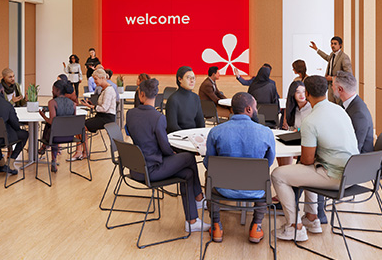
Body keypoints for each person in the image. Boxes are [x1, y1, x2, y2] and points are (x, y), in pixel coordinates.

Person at [271, 75, 359, 242]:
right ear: (326, 91)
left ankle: (293, 227)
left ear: (308, 94)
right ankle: (312, 218)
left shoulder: (310, 121)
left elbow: (306, 161)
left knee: (278, 174)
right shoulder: (340, 110)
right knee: (312, 169)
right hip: (353, 174)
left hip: (335, 177)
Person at [126, 78, 209, 232]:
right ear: (156, 95)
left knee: (188, 174)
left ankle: (192, 220)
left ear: (141, 94)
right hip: (151, 170)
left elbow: (132, 134)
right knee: (188, 157)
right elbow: (165, 148)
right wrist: (173, 153)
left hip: (136, 168)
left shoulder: (130, 114)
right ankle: (198, 199)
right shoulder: (158, 118)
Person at [204, 93, 276, 243]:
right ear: (249, 109)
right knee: (264, 177)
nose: (256, 110)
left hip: (223, 188)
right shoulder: (266, 133)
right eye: (255, 107)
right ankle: (256, 227)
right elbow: (268, 163)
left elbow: (209, 164)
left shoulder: (215, 132)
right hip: (255, 190)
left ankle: (216, 225)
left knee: (208, 174)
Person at [333, 71, 374, 154]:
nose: (331, 88)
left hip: (360, 161)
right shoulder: (351, 103)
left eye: (332, 85)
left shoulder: (359, 114)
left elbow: (355, 148)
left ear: (340, 89)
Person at [40, 79, 77, 172]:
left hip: (55, 138)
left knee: (50, 126)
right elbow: (73, 120)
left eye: (53, 89)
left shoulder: (52, 102)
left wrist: (43, 116)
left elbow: (53, 121)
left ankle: (49, 154)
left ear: (57, 90)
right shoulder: (73, 104)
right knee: (53, 127)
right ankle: (45, 149)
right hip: (70, 136)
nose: (52, 91)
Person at [82, 69, 117, 157]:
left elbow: (104, 108)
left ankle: (84, 152)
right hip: (101, 116)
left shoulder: (108, 90)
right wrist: (93, 105)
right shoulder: (104, 89)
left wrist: (92, 107)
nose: (94, 81)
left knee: (81, 127)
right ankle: (82, 151)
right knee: (80, 125)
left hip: (106, 118)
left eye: (96, 79)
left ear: (102, 78)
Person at [310, 36, 353, 104]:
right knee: (331, 105)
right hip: (330, 86)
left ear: (340, 45)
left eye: (335, 44)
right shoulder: (332, 55)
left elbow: (348, 75)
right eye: (332, 43)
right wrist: (317, 49)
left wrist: (332, 78)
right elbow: (327, 58)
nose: (333, 45)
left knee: (338, 107)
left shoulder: (344, 57)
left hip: (339, 87)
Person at [166, 66, 204, 133]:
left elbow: (200, 122)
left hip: (193, 136)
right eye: (188, 78)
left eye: (193, 78)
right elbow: (172, 126)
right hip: (179, 137)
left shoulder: (196, 98)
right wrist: (186, 136)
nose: (192, 80)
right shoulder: (173, 100)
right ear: (180, 79)